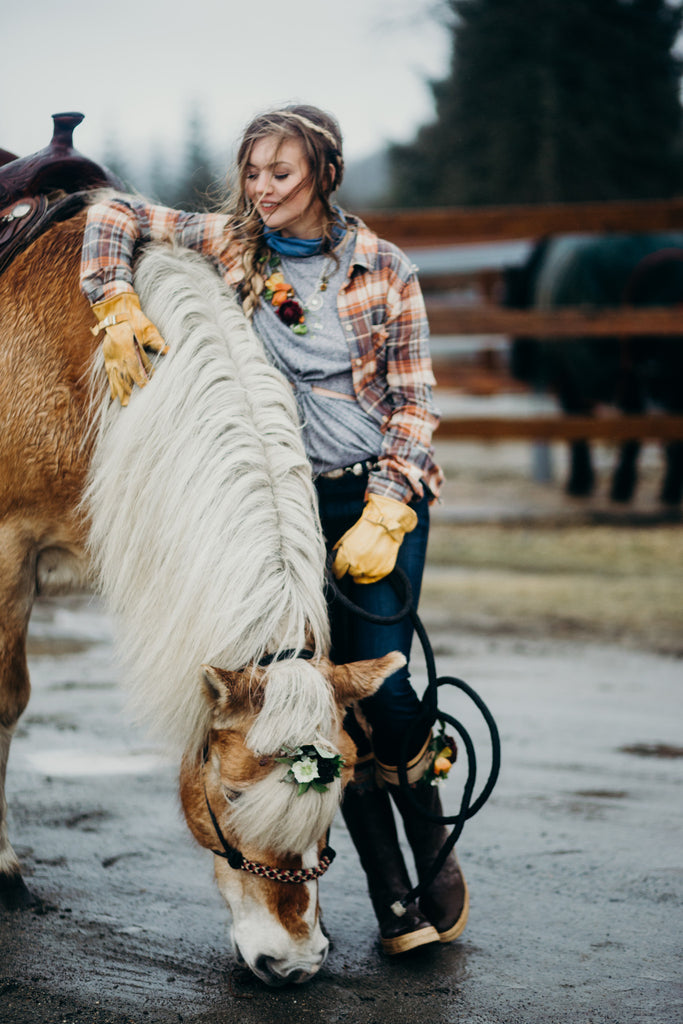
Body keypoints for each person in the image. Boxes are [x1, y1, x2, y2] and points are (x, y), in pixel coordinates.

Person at [80, 104, 467, 955]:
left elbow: (413, 404)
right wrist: (112, 300)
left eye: (281, 175)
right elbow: (113, 212)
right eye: (252, 173)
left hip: (375, 498)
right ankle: (386, 888)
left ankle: (430, 841)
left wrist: (389, 505)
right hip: (285, 505)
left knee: (388, 694)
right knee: (309, 704)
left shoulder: (383, 270)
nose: (262, 191)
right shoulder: (233, 243)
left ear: (323, 174)